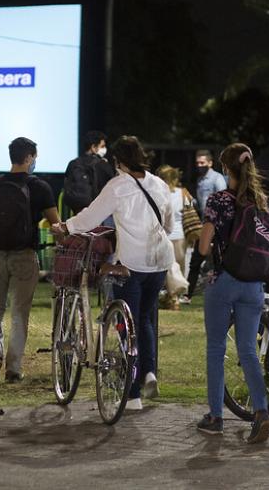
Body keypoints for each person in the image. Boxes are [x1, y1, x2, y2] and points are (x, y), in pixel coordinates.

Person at [53, 136, 174, 410]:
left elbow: (90, 218)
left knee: (125, 325)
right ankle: (149, 372)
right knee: (145, 318)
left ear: (117, 161)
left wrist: (66, 226)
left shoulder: (117, 186)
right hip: (159, 261)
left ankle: (132, 395)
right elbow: (168, 223)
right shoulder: (160, 184)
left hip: (131, 263)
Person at [196, 142, 269, 444]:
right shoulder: (261, 200)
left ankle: (216, 417)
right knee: (248, 351)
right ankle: (262, 413)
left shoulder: (218, 200)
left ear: (226, 168)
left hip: (224, 280)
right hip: (254, 285)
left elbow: (204, 246)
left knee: (216, 348)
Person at [0, 137, 60, 383]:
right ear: (29, 158)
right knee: (19, 313)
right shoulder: (40, 187)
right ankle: (13, 368)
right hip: (24, 255)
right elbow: (56, 224)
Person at [185, 149, 227, 300]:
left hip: (216, 226)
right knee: (195, 261)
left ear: (210, 163)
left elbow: (224, 201)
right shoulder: (200, 180)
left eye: (202, 163)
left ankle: (220, 293)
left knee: (218, 261)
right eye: (197, 163)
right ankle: (188, 294)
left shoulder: (217, 179)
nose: (199, 165)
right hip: (204, 224)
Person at [157, 164, 190, 310]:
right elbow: (190, 208)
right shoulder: (183, 193)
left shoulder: (158, 193)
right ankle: (176, 297)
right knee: (179, 267)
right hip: (181, 235)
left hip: (164, 234)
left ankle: (171, 297)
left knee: (167, 268)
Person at [63, 130, 116, 215]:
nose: (104, 149)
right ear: (93, 147)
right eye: (102, 146)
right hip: (98, 213)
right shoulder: (102, 164)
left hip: (76, 212)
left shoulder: (73, 163)